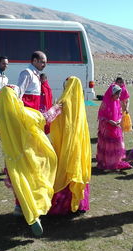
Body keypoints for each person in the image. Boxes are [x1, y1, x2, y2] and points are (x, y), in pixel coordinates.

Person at [0, 85, 61, 236]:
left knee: (20, 183)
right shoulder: (23, 113)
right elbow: (43, 118)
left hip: (11, 158)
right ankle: (35, 213)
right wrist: (56, 108)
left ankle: (20, 209)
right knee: (34, 182)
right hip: (28, 155)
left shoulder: (0, 116)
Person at [48, 77, 91, 215]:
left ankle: (63, 206)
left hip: (64, 145)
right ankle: (78, 205)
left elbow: (54, 123)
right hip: (78, 145)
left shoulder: (62, 102)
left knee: (64, 170)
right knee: (76, 169)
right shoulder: (79, 102)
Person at [96, 84, 132, 171]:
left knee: (117, 144)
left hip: (116, 127)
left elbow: (120, 113)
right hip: (107, 129)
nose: (119, 96)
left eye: (119, 94)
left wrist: (119, 121)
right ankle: (107, 163)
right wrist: (109, 121)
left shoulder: (117, 102)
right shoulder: (105, 103)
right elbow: (101, 115)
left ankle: (116, 162)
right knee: (108, 146)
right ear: (112, 94)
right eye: (117, 94)